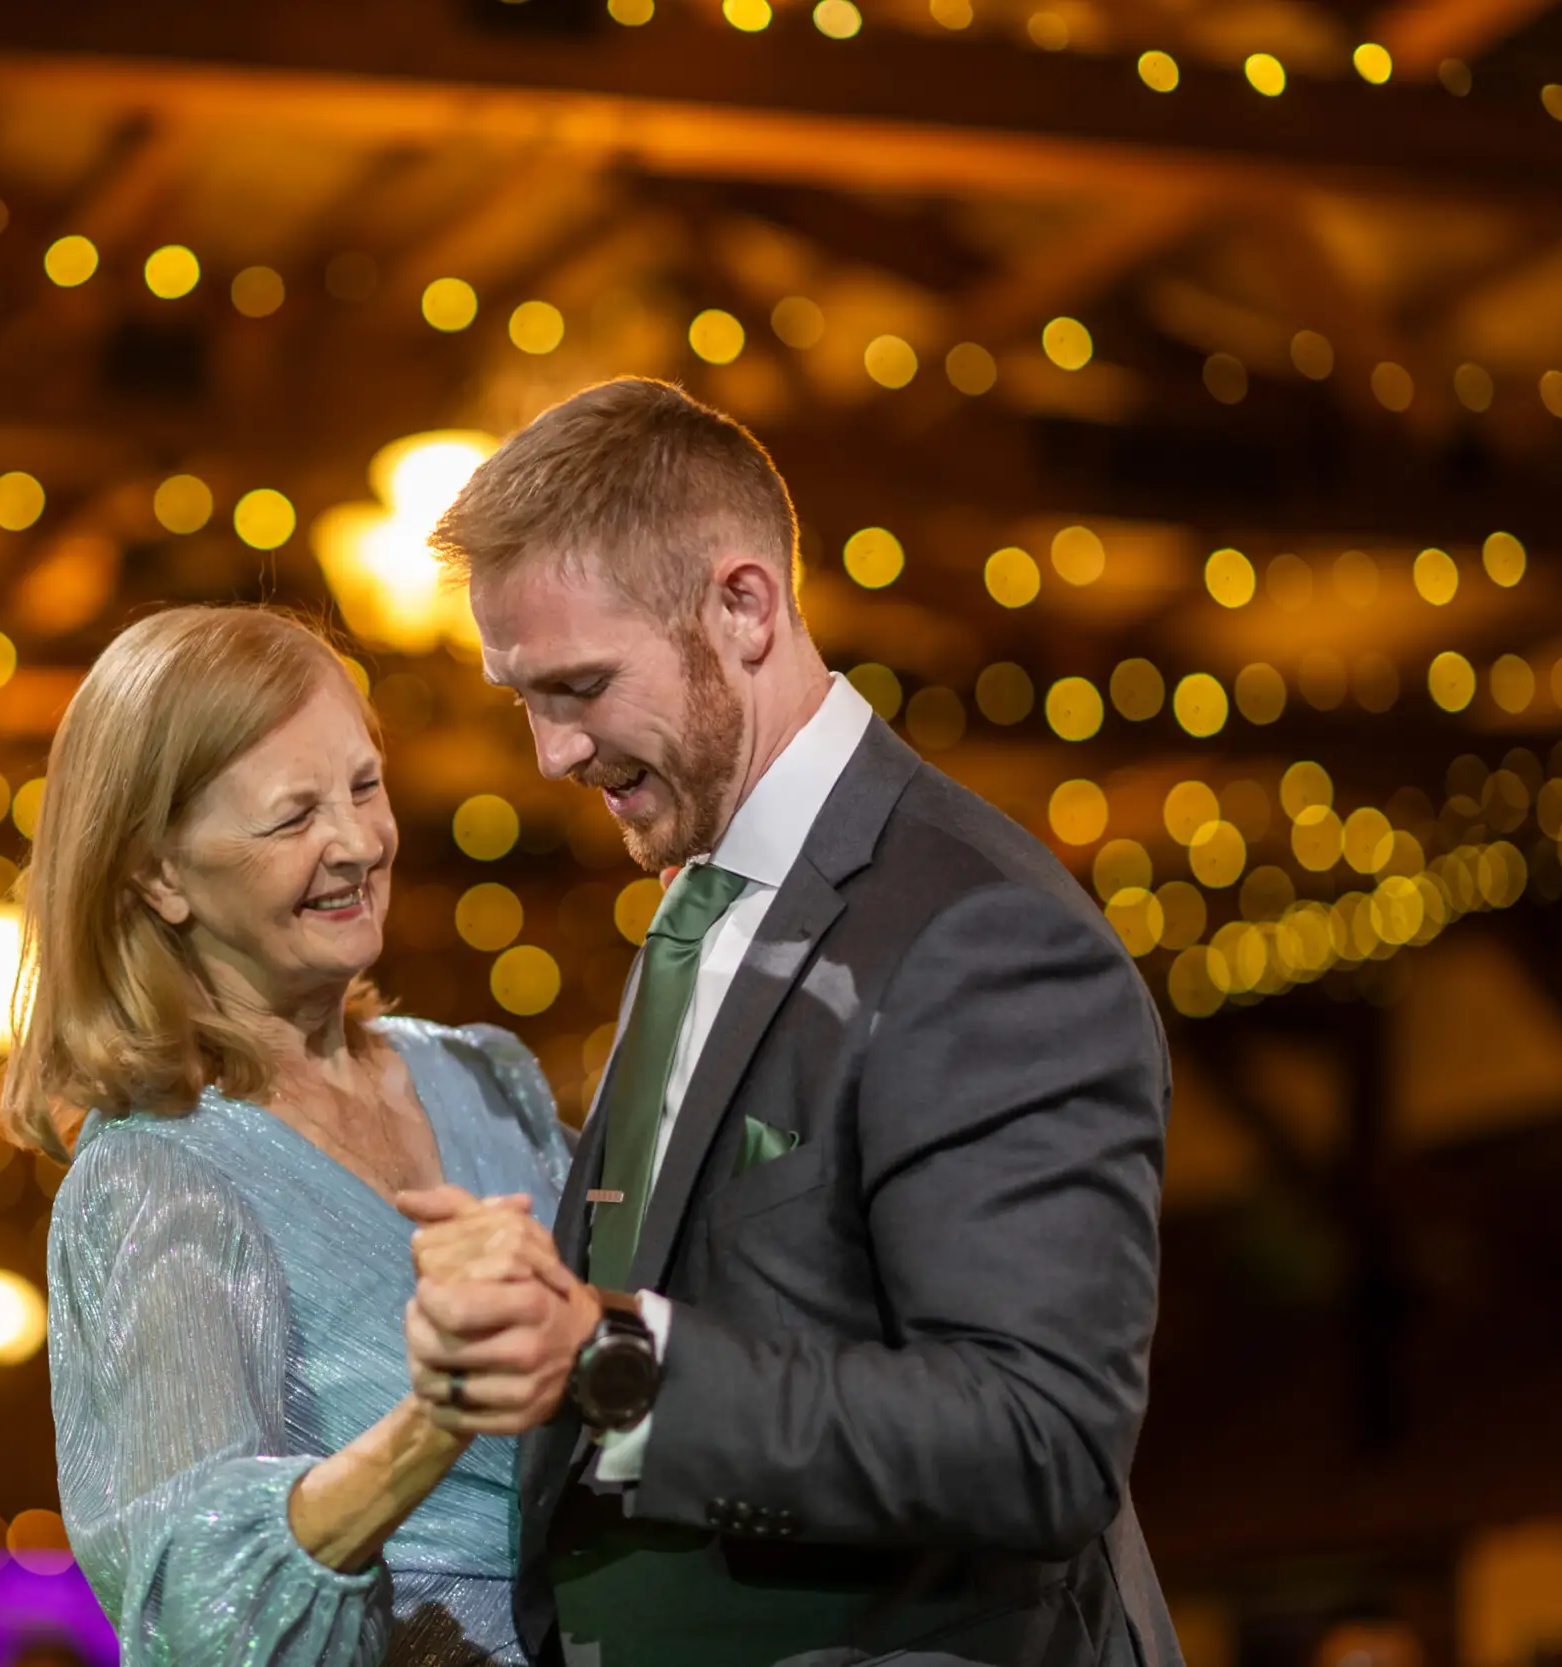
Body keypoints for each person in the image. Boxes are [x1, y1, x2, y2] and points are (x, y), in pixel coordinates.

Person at [397, 377, 1185, 1667]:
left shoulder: (979, 933)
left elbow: (1037, 1435)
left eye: (580, 685)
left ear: (744, 606)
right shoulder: (700, 911)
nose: (548, 753)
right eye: (523, 698)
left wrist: (618, 1363)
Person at [3, 606, 571, 1666]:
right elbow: (201, 1615)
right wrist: (427, 1428)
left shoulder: (487, 1079)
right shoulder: (158, 1177)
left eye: (363, 785)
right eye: (291, 817)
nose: (357, 842)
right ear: (156, 875)